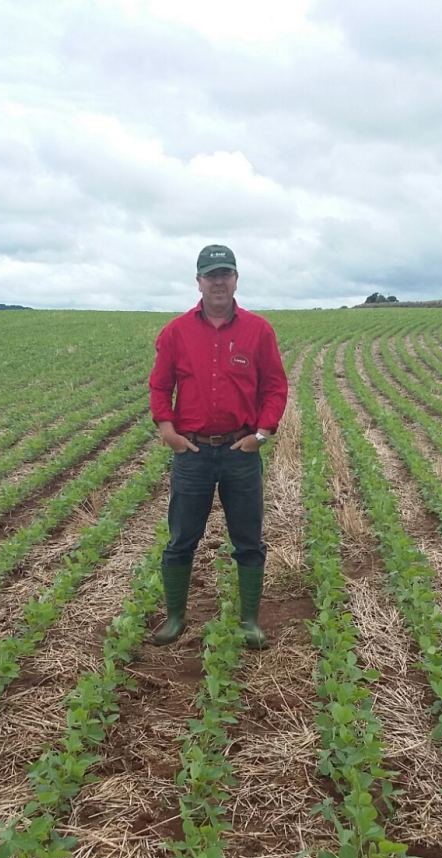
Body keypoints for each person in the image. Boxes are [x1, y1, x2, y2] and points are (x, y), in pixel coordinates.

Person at [149, 244, 288, 649]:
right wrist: (168, 431)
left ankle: (250, 621)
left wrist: (261, 435)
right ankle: (175, 618)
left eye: (225, 274)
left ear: (236, 279)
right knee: (181, 540)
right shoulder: (176, 332)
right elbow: (160, 386)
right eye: (211, 275)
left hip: (239, 452)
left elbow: (275, 387)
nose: (218, 282)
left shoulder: (258, 330)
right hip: (191, 453)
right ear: (199, 282)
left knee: (248, 540)